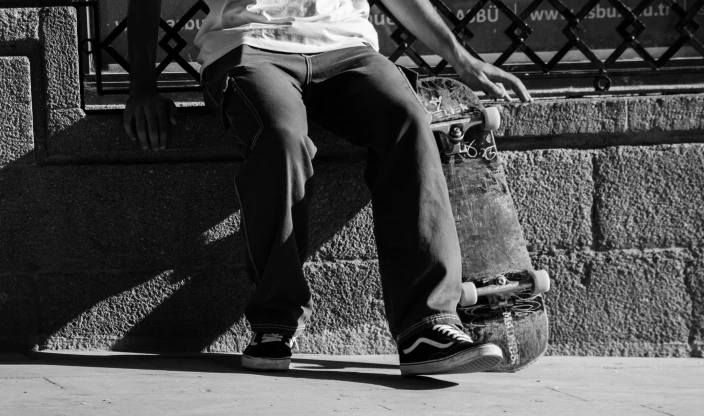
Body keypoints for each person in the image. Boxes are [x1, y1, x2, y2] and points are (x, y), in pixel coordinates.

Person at [124, 0, 532, 376]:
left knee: (409, 120)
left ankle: (427, 326)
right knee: (280, 136)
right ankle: (274, 321)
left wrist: (461, 58)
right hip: (248, 45)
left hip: (347, 48)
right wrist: (141, 84)